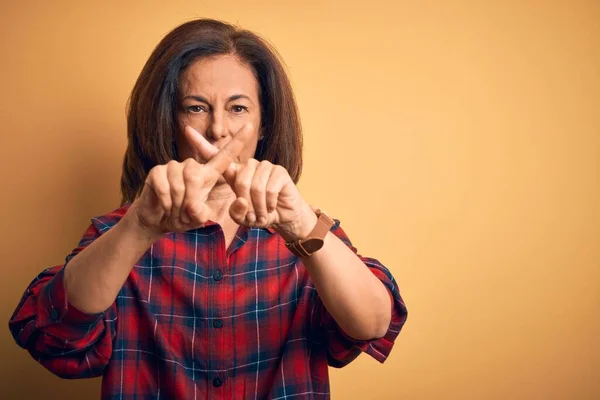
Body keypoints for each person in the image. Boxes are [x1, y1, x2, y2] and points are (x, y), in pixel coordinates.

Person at [9, 18, 407, 399]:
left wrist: (301, 222)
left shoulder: (307, 232)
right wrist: (139, 227)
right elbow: (53, 340)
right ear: (169, 119)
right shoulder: (119, 234)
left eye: (238, 109)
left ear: (264, 123)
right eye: (196, 108)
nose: (218, 129)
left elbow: (373, 325)